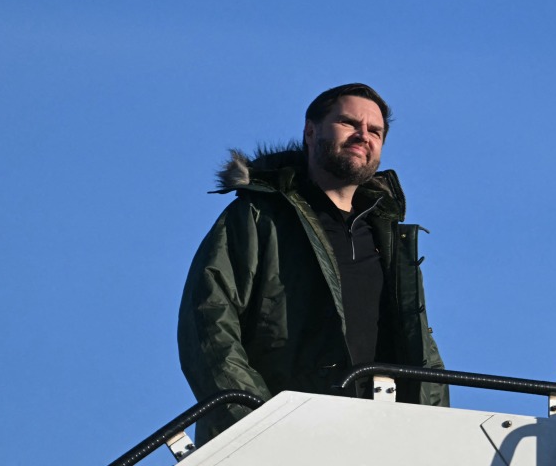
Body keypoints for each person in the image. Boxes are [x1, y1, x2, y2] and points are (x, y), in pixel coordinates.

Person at [178, 83, 448, 444]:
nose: (362, 136)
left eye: (375, 131)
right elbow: (209, 322)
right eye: (349, 123)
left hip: (383, 437)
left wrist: (437, 436)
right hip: (284, 433)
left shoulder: (391, 238)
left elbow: (422, 351)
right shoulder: (259, 216)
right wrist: (254, 421)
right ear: (310, 131)